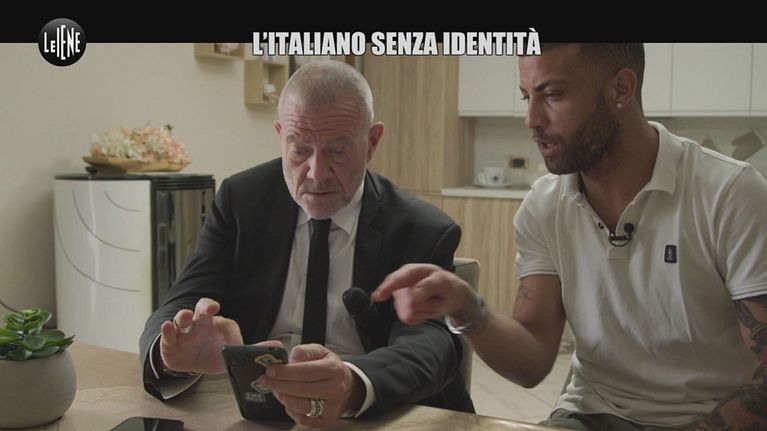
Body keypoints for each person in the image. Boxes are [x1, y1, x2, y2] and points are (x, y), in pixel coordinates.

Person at [374, 43, 767, 430]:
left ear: (621, 88)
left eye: (553, 95)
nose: (531, 119)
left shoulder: (730, 193)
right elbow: (531, 363)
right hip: (590, 414)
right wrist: (467, 309)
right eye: (526, 96)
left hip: (712, 417)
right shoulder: (544, 206)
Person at [139, 60, 473, 428]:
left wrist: (353, 382)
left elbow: (431, 344)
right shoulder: (242, 200)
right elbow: (183, 302)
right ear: (280, 135)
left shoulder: (419, 229)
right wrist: (172, 353)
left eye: (337, 151)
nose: (316, 172)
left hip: (371, 416)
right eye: (299, 149)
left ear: (372, 142)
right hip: (261, 412)